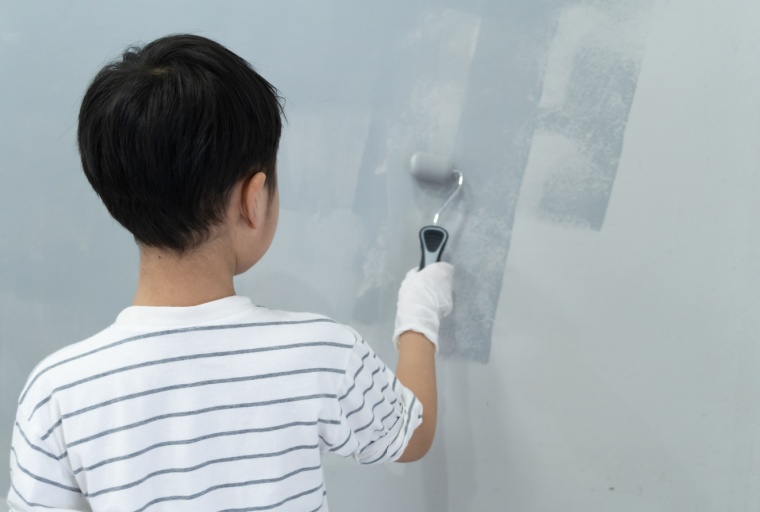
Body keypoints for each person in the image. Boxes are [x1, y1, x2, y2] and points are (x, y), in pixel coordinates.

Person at [6, 34, 453, 511]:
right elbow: (413, 433)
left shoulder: (56, 395)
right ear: (253, 198)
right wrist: (418, 312)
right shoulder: (321, 355)